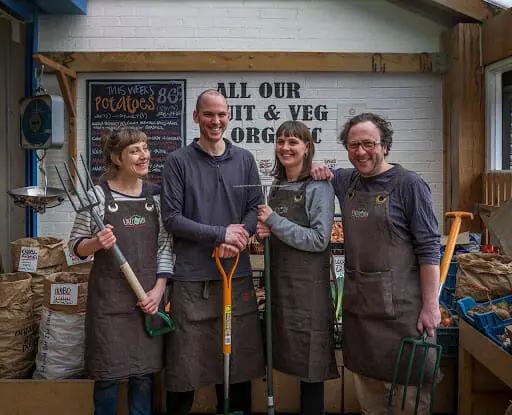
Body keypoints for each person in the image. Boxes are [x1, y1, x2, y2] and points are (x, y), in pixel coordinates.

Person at [311, 113, 441, 415]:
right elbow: (315, 172)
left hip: (404, 313)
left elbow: (429, 248)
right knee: (370, 400)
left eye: (368, 144)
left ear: (385, 146)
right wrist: (317, 168)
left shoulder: (409, 185)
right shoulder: (346, 181)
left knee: (408, 399)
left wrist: (431, 306)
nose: (360, 152)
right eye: (353, 145)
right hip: (361, 313)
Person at [160, 89, 265, 415]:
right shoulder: (178, 162)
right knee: (185, 365)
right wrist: (219, 233)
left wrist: (239, 236)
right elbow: (172, 218)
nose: (215, 121)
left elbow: (254, 207)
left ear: (228, 116)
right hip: (193, 280)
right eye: (208, 114)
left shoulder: (245, 159)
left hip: (237, 274)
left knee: (237, 363)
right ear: (196, 117)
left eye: (221, 114)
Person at [69, 127, 174, 415]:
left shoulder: (157, 197)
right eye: (135, 150)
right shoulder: (97, 197)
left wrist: (159, 289)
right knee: (108, 377)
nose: (145, 156)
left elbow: (166, 246)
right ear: (116, 157)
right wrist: (96, 243)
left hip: (147, 300)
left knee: (143, 377)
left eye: (145, 148)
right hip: (109, 304)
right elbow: (74, 248)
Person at [256, 120, 339, 415]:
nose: (285, 147)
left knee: (311, 366)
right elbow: (274, 229)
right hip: (281, 286)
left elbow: (319, 240)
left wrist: (274, 222)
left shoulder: (318, 186)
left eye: (293, 142)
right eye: (280, 141)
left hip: (309, 292)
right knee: (284, 356)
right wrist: (262, 232)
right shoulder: (277, 184)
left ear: (307, 148)